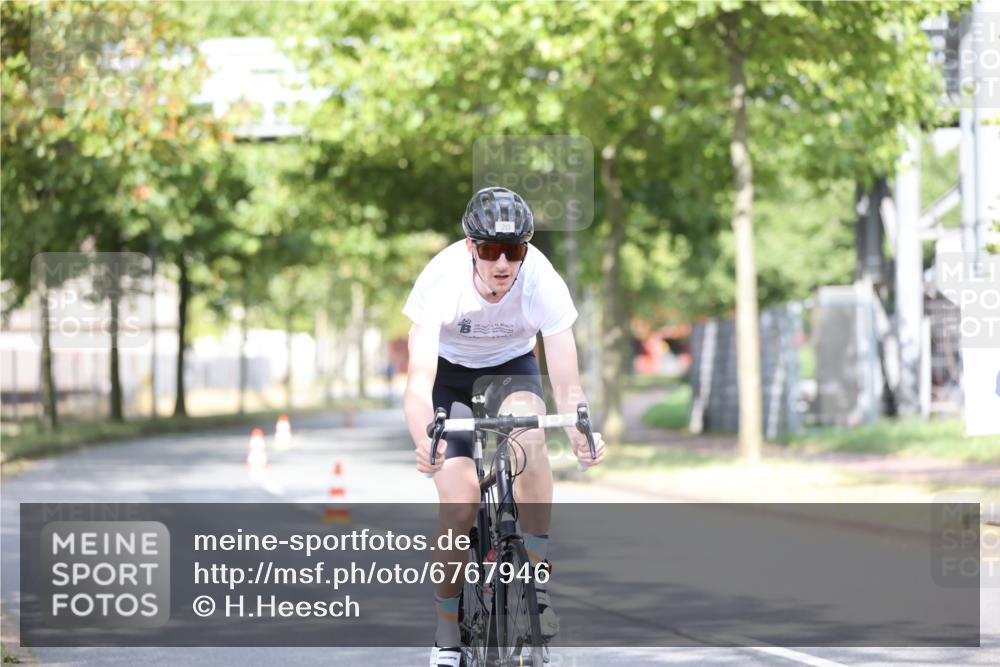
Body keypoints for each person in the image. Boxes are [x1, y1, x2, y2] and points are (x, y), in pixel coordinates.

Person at [402, 186, 606, 667]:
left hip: (511, 366)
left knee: (532, 442)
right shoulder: (441, 280)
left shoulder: (542, 280)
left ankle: (535, 583)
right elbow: (417, 386)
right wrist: (422, 441)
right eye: (491, 250)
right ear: (471, 247)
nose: (502, 263)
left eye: (513, 251)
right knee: (460, 501)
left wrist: (581, 431)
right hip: (448, 377)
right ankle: (446, 628)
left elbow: (567, 382)